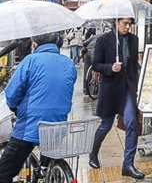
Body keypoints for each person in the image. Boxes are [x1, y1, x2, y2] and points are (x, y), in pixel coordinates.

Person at [0, 32, 77, 183]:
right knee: (47, 157)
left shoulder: (30, 61)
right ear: (56, 42)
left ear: (34, 44)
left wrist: (15, 108)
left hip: (30, 128)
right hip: (58, 126)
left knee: (3, 172)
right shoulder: (69, 64)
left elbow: (11, 96)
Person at [89, 18, 144, 179]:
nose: (127, 27)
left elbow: (134, 64)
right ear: (116, 22)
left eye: (129, 24)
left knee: (131, 123)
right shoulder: (103, 40)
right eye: (124, 23)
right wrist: (110, 67)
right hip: (111, 90)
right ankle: (93, 153)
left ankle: (128, 164)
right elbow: (95, 64)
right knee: (105, 125)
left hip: (127, 89)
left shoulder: (134, 40)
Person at [80, 27, 98, 95]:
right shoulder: (107, 37)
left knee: (86, 71)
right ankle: (96, 90)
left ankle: (85, 90)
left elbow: (84, 43)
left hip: (88, 53)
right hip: (96, 53)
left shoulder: (93, 37)